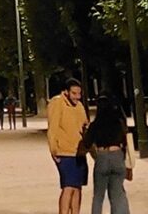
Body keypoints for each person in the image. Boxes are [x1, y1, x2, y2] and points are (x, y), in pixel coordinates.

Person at [83, 93, 131, 214]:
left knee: (98, 196)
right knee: (117, 195)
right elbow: (125, 142)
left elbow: (87, 143)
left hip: (102, 157)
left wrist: (85, 132)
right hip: (117, 156)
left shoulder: (96, 125)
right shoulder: (119, 123)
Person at [47, 78, 89, 214]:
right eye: (74, 93)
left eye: (79, 94)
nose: (77, 97)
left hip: (79, 153)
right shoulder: (57, 103)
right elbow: (52, 128)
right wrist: (54, 150)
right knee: (68, 186)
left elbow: (85, 126)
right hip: (64, 152)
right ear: (66, 92)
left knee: (77, 187)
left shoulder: (79, 106)